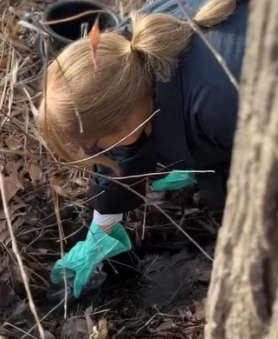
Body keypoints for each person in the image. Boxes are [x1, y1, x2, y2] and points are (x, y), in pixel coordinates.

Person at [37, 0, 248, 298]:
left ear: (118, 122)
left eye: (93, 146)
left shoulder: (223, 100)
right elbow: (121, 149)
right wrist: (104, 225)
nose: (93, 153)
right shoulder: (126, 56)